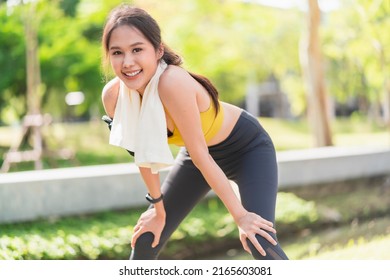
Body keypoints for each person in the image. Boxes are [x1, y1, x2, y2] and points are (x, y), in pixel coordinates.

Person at [101, 4, 288, 260]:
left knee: (259, 240)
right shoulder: (114, 96)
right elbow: (142, 155)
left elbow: (202, 155)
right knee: (146, 240)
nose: (128, 62)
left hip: (247, 149)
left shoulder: (172, 82)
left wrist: (241, 216)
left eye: (137, 49)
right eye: (117, 52)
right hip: (196, 159)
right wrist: (158, 209)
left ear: (158, 51)